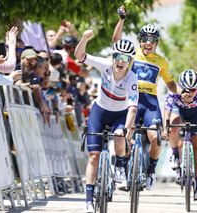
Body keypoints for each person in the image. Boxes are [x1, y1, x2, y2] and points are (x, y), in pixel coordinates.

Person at [112, 5, 180, 190]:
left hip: (150, 102)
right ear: (140, 40)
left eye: (152, 40)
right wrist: (122, 20)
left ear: (156, 43)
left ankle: (150, 171)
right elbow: (116, 40)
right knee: (127, 135)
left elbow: (171, 84)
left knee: (156, 137)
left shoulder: (162, 62)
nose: (147, 43)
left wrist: (184, 92)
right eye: (144, 39)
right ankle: (123, 169)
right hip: (132, 99)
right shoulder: (132, 53)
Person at [74, 29, 138, 213]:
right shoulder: (105, 65)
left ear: (130, 62)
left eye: (125, 59)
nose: (120, 61)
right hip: (99, 111)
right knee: (94, 156)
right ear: (113, 56)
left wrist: (125, 130)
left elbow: (132, 108)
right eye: (118, 56)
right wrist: (85, 38)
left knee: (119, 137)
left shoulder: (132, 79)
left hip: (120, 114)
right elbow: (79, 55)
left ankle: (120, 165)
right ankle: (88, 201)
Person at [162, 69, 197, 201]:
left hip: (196, 114)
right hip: (178, 111)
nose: (190, 92)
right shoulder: (174, 90)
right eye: (187, 89)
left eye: (193, 90)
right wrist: (166, 127)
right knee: (173, 128)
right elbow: (167, 110)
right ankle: (175, 153)